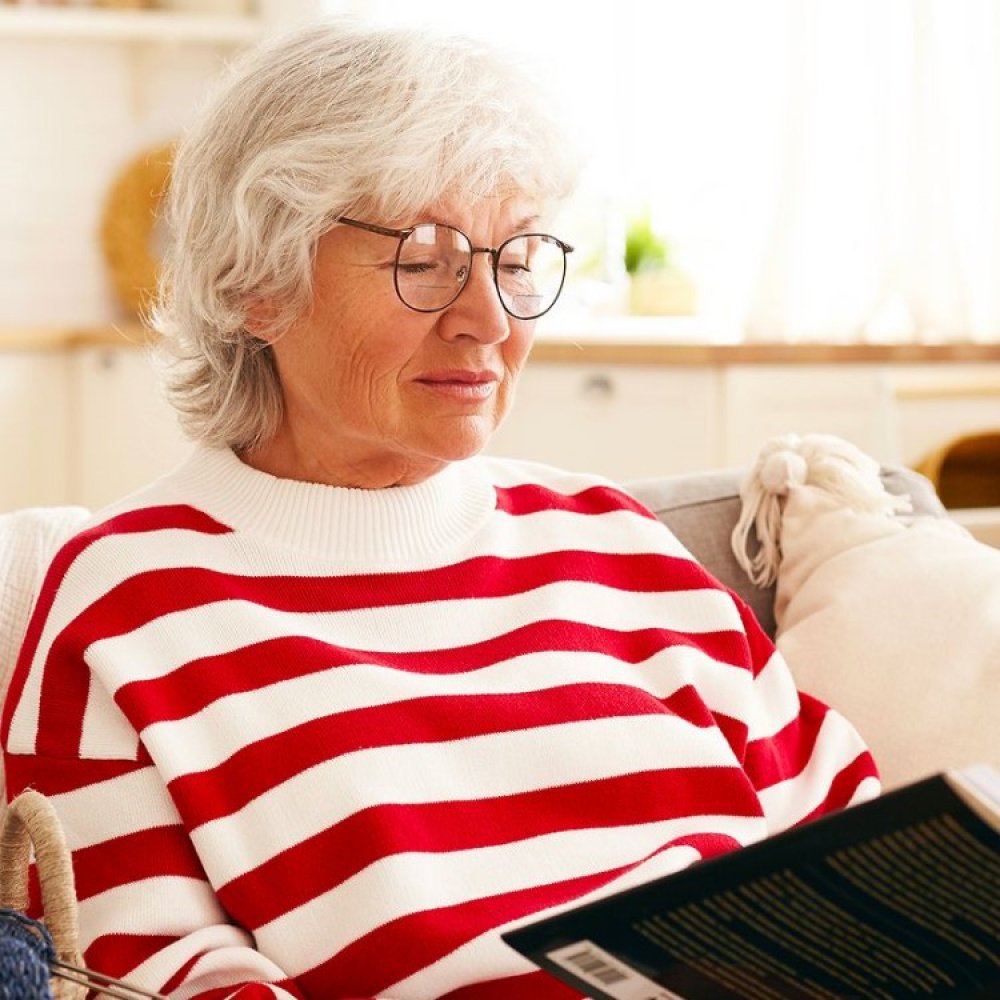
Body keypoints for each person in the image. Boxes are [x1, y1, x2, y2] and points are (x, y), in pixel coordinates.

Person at [1, 18, 878, 1000]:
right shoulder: (127, 603)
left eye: (515, 259)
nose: (490, 321)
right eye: (424, 259)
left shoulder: (623, 548)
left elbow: (864, 864)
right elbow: (150, 972)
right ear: (256, 279)